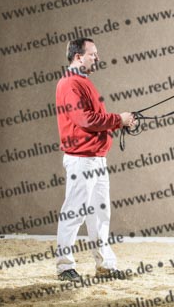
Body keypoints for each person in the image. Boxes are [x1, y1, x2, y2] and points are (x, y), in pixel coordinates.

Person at [55, 37, 136, 282]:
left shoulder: (81, 82)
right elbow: (85, 120)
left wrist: (120, 122)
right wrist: (118, 120)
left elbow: (93, 118)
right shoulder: (71, 83)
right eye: (93, 54)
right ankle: (64, 266)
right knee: (74, 212)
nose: (97, 58)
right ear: (78, 56)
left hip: (95, 159)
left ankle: (105, 266)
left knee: (100, 215)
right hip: (82, 159)